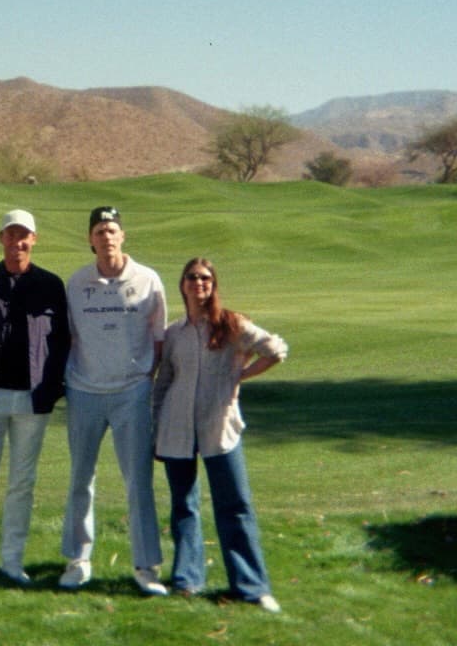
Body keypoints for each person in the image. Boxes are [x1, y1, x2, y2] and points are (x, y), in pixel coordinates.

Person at [153, 257, 286, 612]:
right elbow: (164, 381)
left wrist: (239, 376)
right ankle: (187, 579)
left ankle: (251, 585)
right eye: (192, 278)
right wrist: (155, 430)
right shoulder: (174, 332)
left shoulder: (231, 324)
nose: (199, 284)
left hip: (220, 426)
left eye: (206, 278)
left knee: (235, 505)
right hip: (177, 426)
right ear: (182, 285)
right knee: (184, 506)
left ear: (213, 284)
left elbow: (276, 350)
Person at [58, 206, 169, 595]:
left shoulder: (148, 280)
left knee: (138, 480)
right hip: (85, 390)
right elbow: (70, 337)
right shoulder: (76, 283)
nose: (107, 236)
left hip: (131, 392)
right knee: (79, 478)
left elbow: (159, 338)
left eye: (112, 229)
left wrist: (143, 378)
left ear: (123, 236)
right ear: (90, 239)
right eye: (99, 230)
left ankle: (145, 566)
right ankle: (78, 560)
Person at [0, 209, 70, 587]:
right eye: (11, 235)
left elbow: (62, 342)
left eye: (24, 236)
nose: (17, 242)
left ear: (34, 240)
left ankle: (11, 562)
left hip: (32, 398)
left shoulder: (51, 285)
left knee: (22, 483)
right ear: (0, 238)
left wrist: (53, 387)